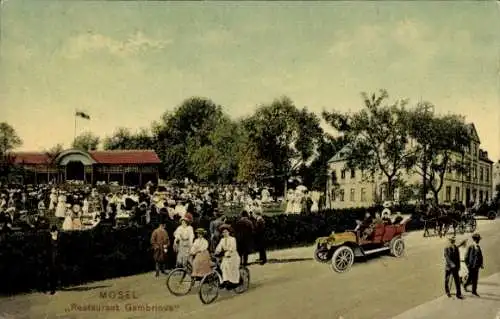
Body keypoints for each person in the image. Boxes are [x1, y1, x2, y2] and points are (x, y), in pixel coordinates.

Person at [215, 224, 241, 289]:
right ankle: (226, 281)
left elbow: (233, 248)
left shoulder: (232, 239)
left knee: (232, 268)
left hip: (233, 256)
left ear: (229, 232)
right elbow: (219, 247)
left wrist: (228, 252)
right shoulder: (222, 240)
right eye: (223, 232)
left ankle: (234, 283)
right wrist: (217, 251)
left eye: (226, 232)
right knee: (223, 267)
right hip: (226, 256)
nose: (224, 233)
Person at [47, 225, 59, 295]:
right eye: (55, 231)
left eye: (57, 231)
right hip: (51, 258)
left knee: (56, 274)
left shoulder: (59, 238)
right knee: (52, 274)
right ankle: (52, 289)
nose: (56, 232)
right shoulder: (49, 239)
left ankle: (55, 287)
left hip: (57, 258)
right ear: (52, 232)